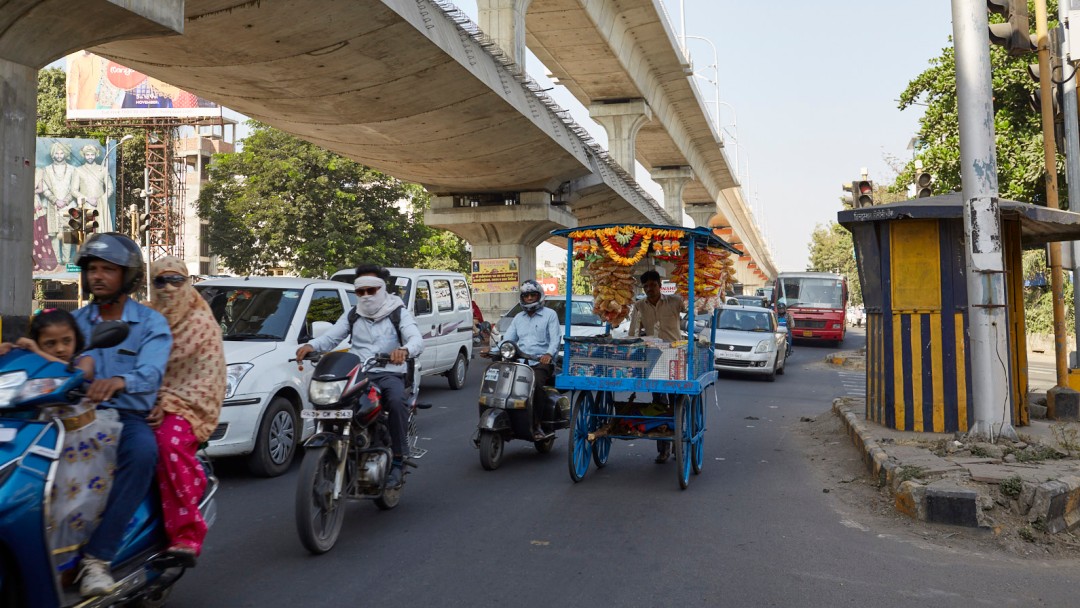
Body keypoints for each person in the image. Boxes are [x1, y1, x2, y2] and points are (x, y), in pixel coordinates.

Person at [71, 232, 172, 598]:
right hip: (75, 416)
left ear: (126, 276)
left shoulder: (150, 323)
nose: (97, 276)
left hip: (126, 417)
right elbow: (51, 353)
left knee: (143, 452)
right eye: (93, 269)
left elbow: (151, 373)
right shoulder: (75, 321)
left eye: (107, 270)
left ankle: (97, 559)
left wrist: (117, 382)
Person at [0, 310, 125, 575]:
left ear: (76, 340)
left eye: (65, 341)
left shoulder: (85, 360)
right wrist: (9, 352)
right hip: (45, 443)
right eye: (50, 343)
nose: (59, 349)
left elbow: (70, 374)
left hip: (82, 447)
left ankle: (79, 566)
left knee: (75, 506)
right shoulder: (33, 360)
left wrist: (35, 350)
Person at [295, 263, 423, 488]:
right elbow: (332, 337)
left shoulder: (398, 312)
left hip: (388, 372)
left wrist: (404, 351)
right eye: (360, 291)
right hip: (358, 372)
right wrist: (311, 345)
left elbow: (416, 339)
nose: (365, 296)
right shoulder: (353, 314)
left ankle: (399, 459)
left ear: (382, 289)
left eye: (370, 290)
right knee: (330, 401)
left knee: (395, 400)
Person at [147, 257, 225, 566]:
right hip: (137, 400)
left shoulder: (201, 323)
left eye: (176, 280)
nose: (168, 287)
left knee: (168, 444)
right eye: (160, 281)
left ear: (187, 282)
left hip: (186, 404)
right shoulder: (145, 317)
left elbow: (206, 378)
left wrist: (164, 403)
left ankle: (187, 533)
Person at [626, 270, 686, 463]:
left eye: (652, 285)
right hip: (653, 357)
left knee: (677, 400)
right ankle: (663, 448)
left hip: (676, 356)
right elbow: (634, 331)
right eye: (646, 286)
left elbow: (694, 308)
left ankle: (678, 441)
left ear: (660, 285)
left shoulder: (675, 302)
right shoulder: (639, 306)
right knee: (659, 402)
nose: (649, 289)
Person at [501, 279, 560, 441]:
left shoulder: (550, 315)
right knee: (500, 385)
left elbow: (555, 339)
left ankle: (536, 425)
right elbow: (508, 339)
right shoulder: (518, 317)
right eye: (526, 296)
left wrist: (548, 354)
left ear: (539, 296)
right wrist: (497, 349)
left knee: (536, 387)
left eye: (532, 295)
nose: (529, 299)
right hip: (519, 363)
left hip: (541, 363)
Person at [73, 143, 114, 234]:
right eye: (87, 155)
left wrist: (100, 200)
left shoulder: (103, 169)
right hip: (85, 205)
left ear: (96, 155)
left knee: (101, 233)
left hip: (101, 206)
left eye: (92, 154)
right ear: (84, 156)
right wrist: (87, 199)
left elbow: (110, 189)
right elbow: (74, 190)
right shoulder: (78, 170)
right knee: (87, 234)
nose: (90, 157)